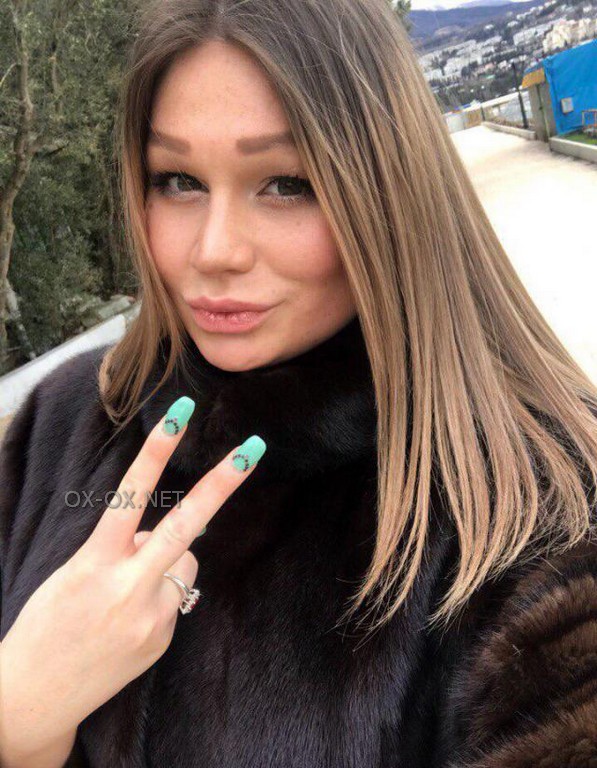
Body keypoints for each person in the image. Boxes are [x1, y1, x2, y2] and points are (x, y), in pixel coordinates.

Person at [1, 0, 596, 765]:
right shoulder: (66, 419)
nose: (213, 251)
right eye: (177, 180)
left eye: (285, 183)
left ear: (390, 193)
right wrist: (20, 715)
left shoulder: (541, 513)